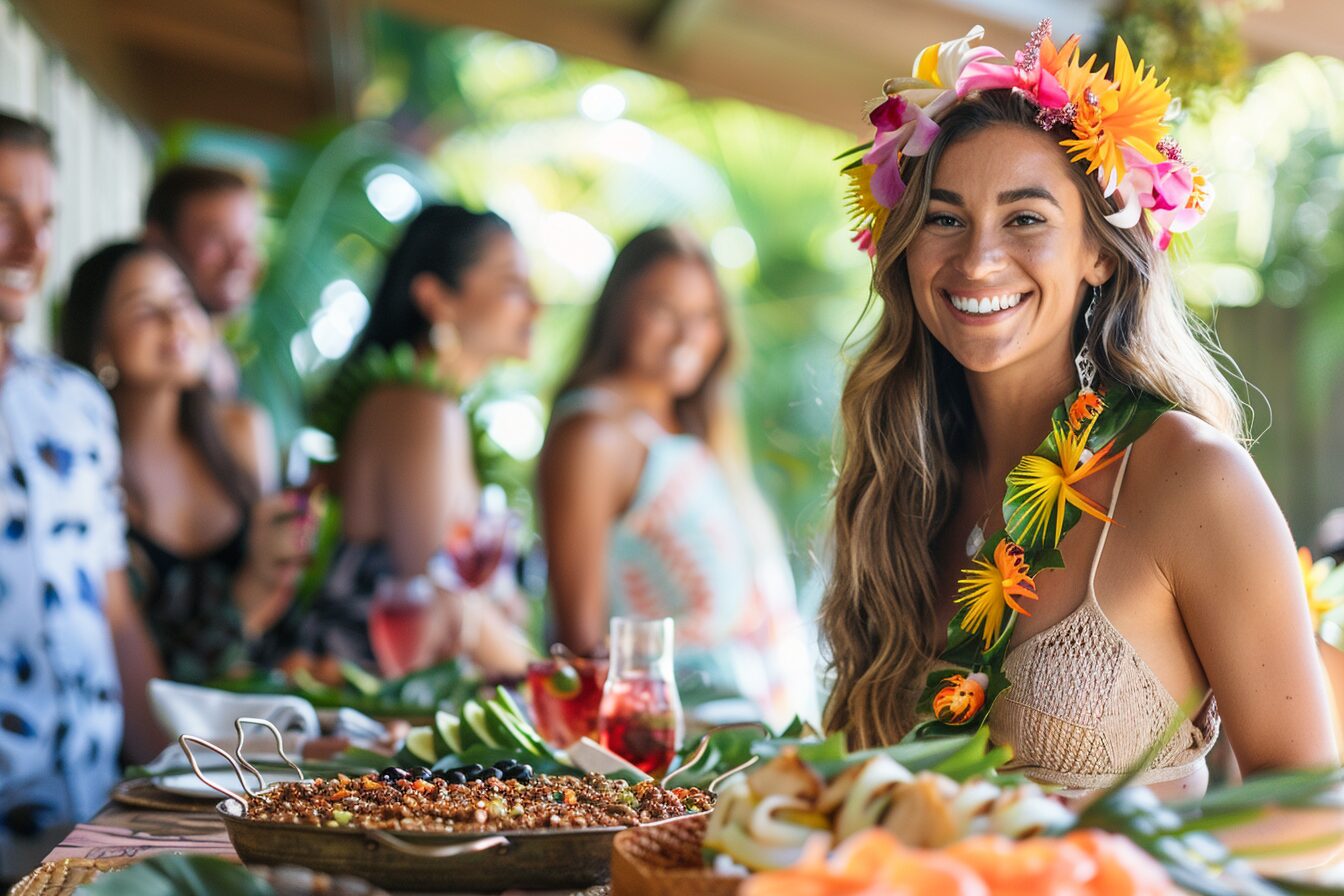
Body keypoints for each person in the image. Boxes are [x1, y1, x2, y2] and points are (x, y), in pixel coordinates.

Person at [820, 22, 1340, 866]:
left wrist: (1086, 859)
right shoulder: (898, 480)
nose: (979, 259)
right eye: (944, 218)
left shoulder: (1192, 477)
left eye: (1025, 217)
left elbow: (1312, 805)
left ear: (1100, 251)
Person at [539, 226, 815, 726]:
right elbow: (579, 645)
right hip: (673, 743)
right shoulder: (594, 435)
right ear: (618, 310)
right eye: (664, 310)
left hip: (746, 724)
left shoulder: (687, 429)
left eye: (705, 315)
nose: (689, 335)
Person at [0, 112, 162, 881]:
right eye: (2, 214)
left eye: (43, 219)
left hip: (90, 814)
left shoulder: (76, 403)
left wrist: (178, 771)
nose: (30, 246)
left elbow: (114, 607)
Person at [298, 204, 538, 679]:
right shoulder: (416, 408)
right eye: (513, 285)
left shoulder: (435, 408)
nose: (536, 306)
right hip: (364, 714)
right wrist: (559, 683)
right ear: (437, 298)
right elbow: (443, 598)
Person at [59, 242, 311, 684]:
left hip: (275, 714)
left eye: (181, 300)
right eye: (145, 310)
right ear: (101, 344)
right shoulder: (84, 467)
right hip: (162, 737)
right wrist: (251, 592)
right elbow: (120, 666)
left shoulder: (241, 432)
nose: (176, 321)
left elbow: (286, 611)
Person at [142, 163, 262, 398]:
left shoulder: (222, 365)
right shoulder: (146, 360)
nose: (239, 259)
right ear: (157, 242)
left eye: (247, 239)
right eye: (216, 238)